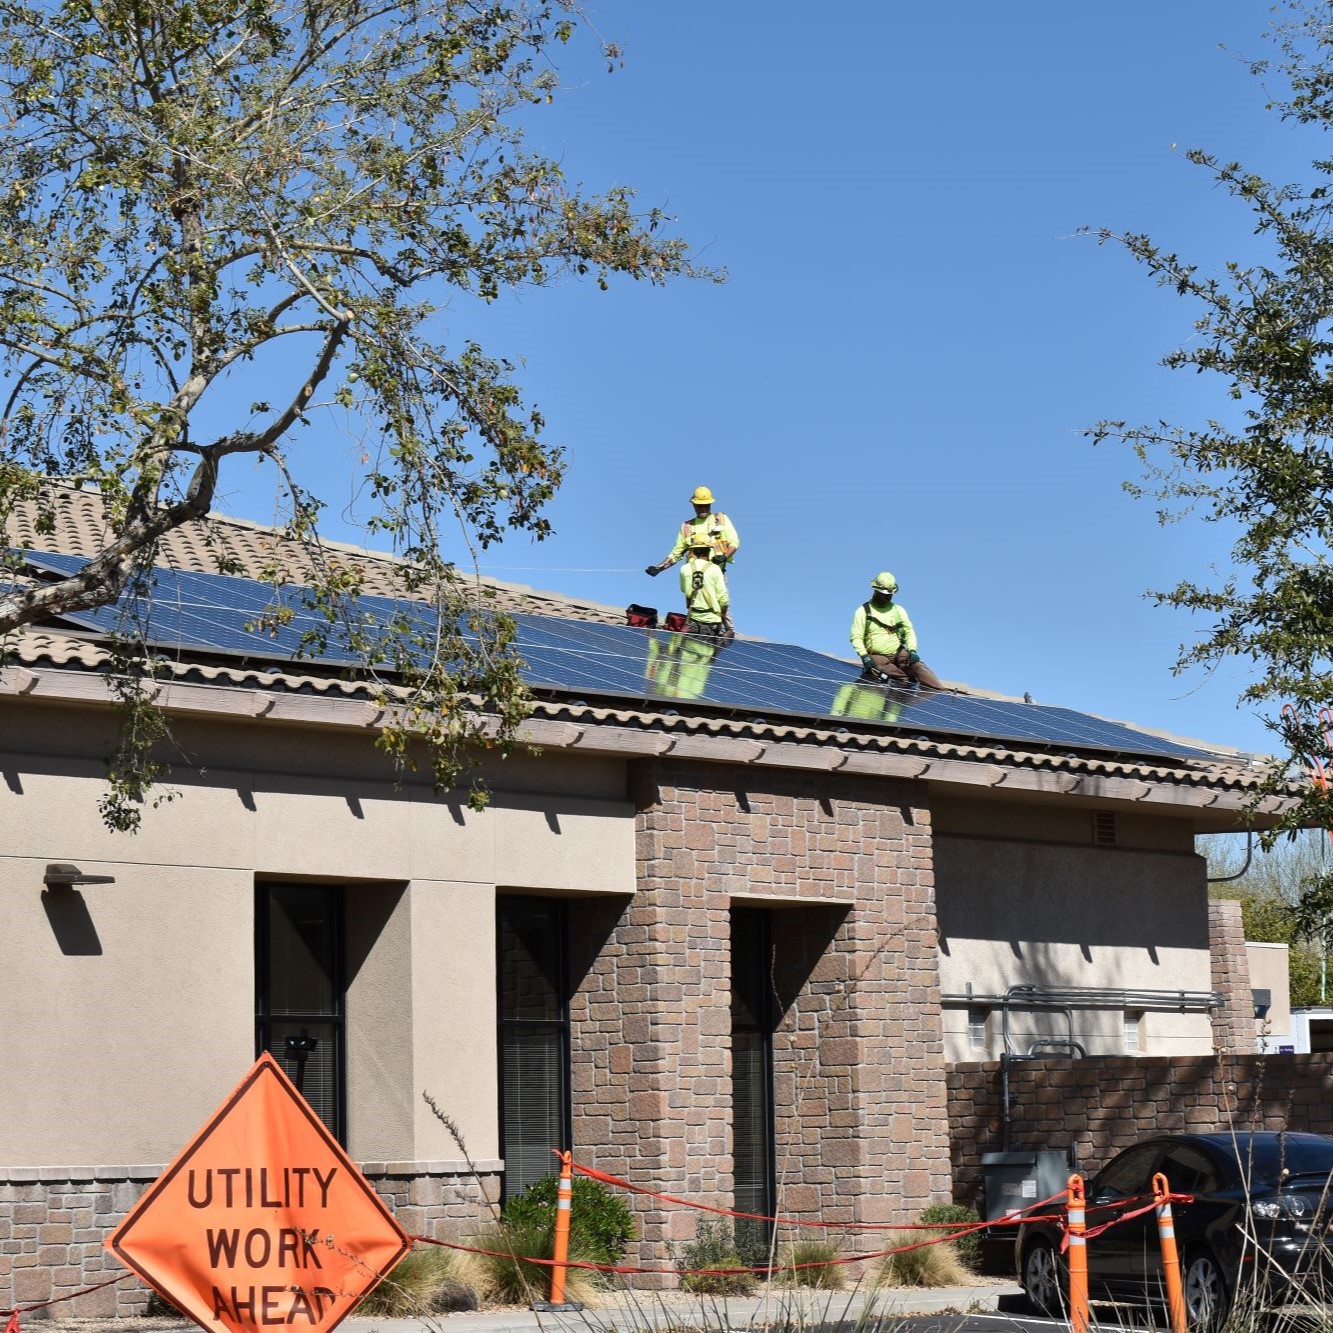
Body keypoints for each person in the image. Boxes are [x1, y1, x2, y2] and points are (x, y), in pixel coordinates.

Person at [849, 571, 944, 690]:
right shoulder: (863, 611)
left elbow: (909, 631)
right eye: (884, 594)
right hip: (877, 656)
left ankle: (941, 693)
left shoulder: (898, 610)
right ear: (876, 590)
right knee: (895, 676)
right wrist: (864, 656)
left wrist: (912, 650)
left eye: (890, 594)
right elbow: (855, 637)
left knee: (918, 667)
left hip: (898, 652)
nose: (887, 597)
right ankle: (905, 685)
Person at [645, 485, 739, 576]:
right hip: (693, 576)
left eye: (706, 505)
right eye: (700, 505)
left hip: (716, 573)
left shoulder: (720, 519)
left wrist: (724, 557)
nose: (703, 508)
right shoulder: (687, 526)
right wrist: (658, 568)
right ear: (694, 505)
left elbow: (734, 542)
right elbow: (676, 554)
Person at [679, 533, 733, 637]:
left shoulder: (684, 569)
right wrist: (723, 617)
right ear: (709, 550)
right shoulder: (715, 569)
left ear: (694, 550)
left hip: (693, 619)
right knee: (706, 651)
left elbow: (684, 590)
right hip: (712, 621)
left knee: (690, 651)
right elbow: (724, 599)